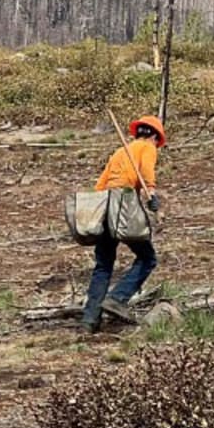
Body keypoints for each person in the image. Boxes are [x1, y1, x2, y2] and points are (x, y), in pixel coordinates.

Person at [82, 114, 164, 333]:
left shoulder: (121, 151)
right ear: (154, 136)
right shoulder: (147, 147)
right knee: (147, 258)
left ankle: (89, 321)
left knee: (103, 265)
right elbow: (146, 171)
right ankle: (117, 298)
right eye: (158, 141)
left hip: (105, 204)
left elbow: (100, 185)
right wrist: (152, 194)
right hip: (124, 203)